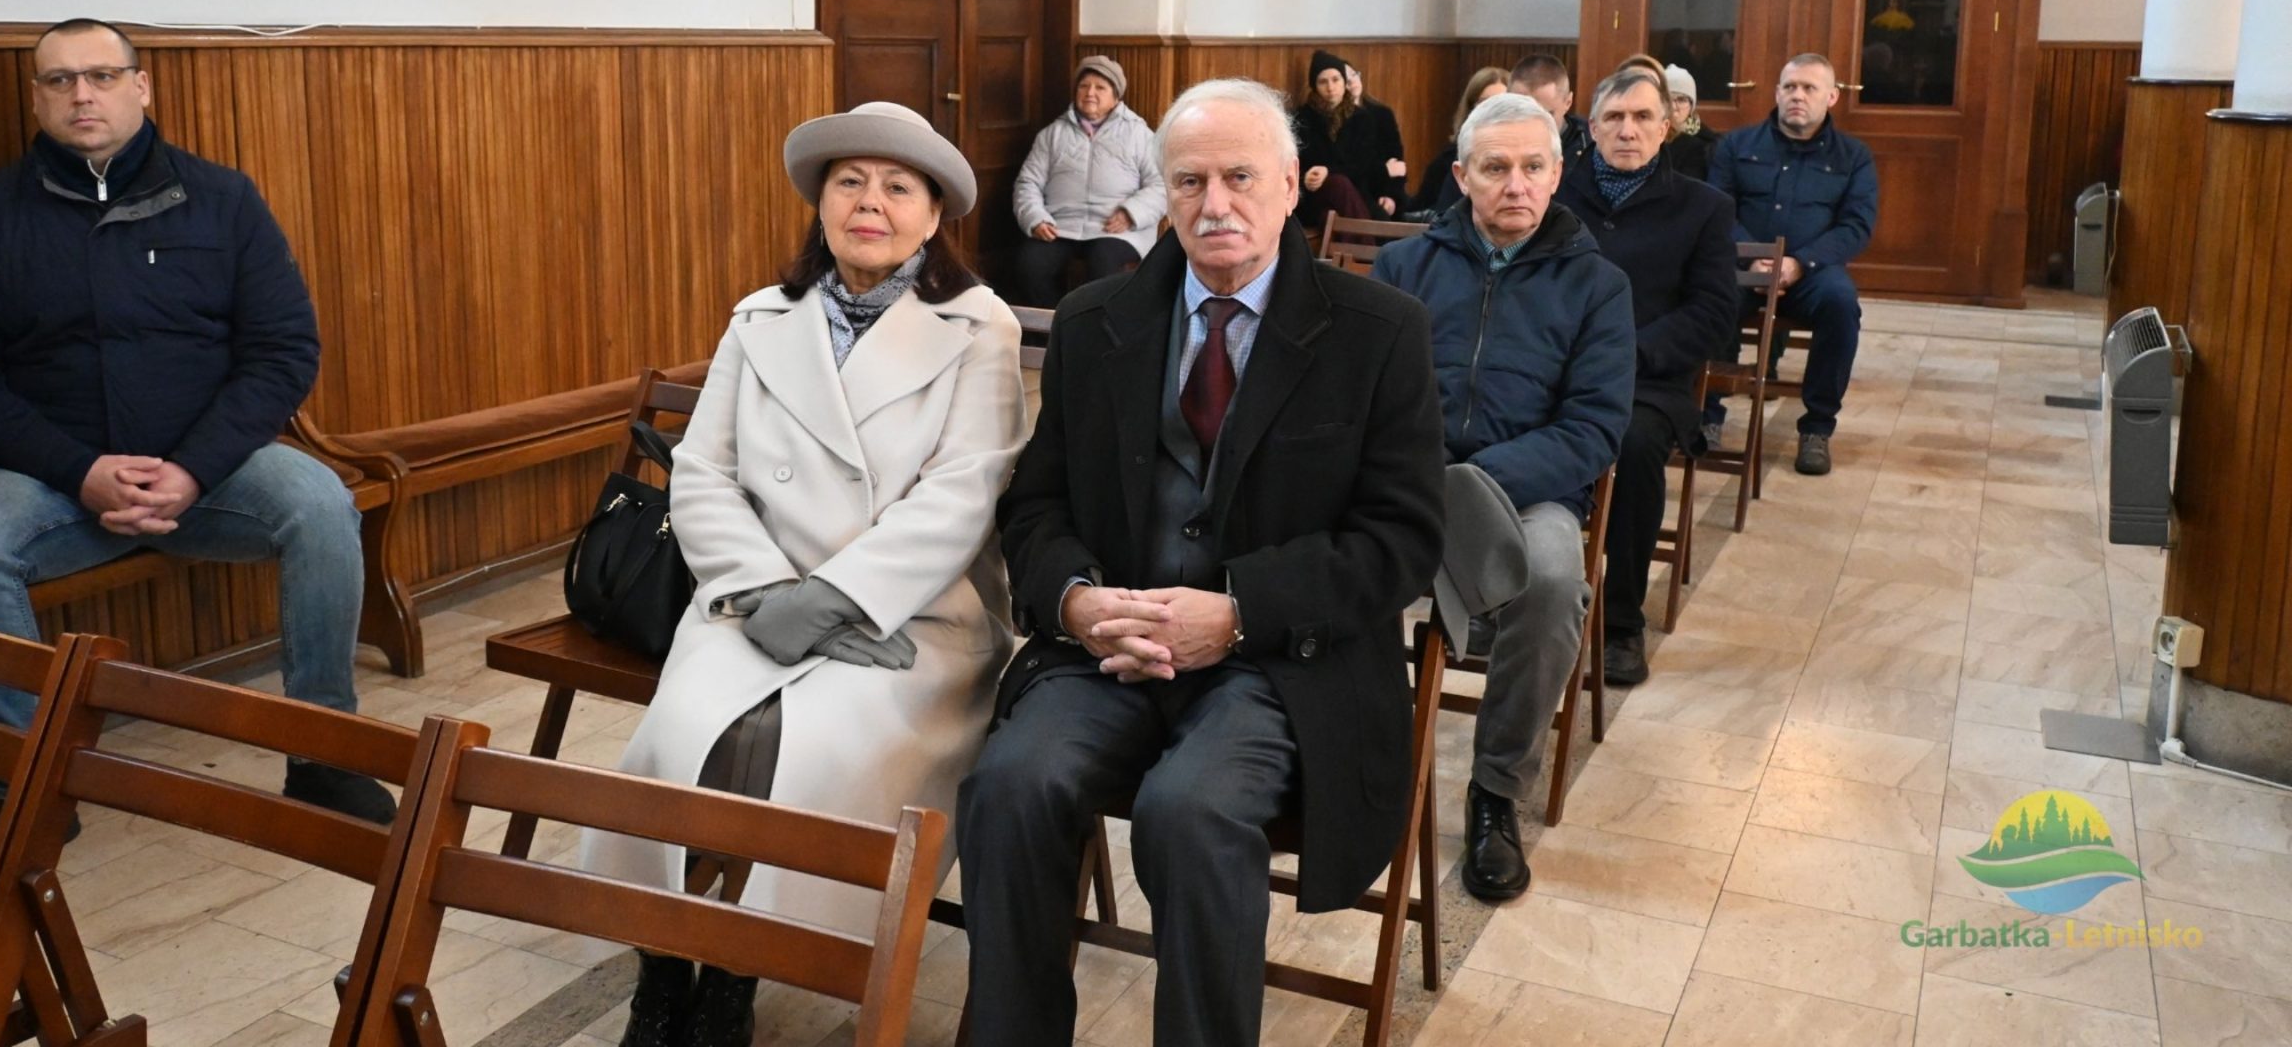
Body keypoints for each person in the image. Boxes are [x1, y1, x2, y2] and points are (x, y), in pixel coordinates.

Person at [957, 79, 1449, 1047]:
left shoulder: (1379, 332)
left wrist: (1236, 612)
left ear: (1289, 187)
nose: (1214, 203)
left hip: (1281, 664)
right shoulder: (1096, 322)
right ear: (1162, 193)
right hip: (1110, 650)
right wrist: (1078, 601)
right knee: (1010, 786)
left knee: (1188, 813)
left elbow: (1399, 540)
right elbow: (1037, 505)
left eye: (1239, 178)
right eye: (1188, 181)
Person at [587, 102, 1024, 1047]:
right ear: (820, 204)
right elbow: (701, 471)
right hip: (754, 599)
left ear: (933, 214)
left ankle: (738, 969)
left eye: (897, 187)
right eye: (849, 182)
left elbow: (965, 489)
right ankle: (661, 966)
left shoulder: (977, 324)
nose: (871, 202)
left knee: (802, 745)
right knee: (689, 731)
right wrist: (764, 591)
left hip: (908, 616)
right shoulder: (762, 317)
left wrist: (836, 598)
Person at [0, 19, 392, 894]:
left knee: (322, 503)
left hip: (211, 470)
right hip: (53, 480)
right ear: (36, 98)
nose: (82, 95)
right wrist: (80, 472)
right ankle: (29, 784)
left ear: (142, 87)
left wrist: (195, 467)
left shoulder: (223, 199)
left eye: (102, 76)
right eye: (60, 80)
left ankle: (325, 752)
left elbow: (284, 349)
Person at [1371, 92, 1631, 902]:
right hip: (1409, 483)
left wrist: (1476, 484)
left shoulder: (1598, 285)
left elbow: (1593, 429)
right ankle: (1353, 758)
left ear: (1557, 174)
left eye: (1531, 167)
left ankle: (1494, 792)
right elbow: (1367, 399)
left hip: (1531, 491)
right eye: (1494, 168)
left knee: (1551, 584)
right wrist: (1420, 478)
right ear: (1461, 177)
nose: (1514, 184)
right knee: (1320, 554)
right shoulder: (1403, 270)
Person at [1553, 69, 1736, 687]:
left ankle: (1621, 622)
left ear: (1667, 127)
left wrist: (1630, 352)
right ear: (1592, 127)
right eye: (1614, 118)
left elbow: (1713, 312)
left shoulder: (1703, 207)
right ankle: (1504, 595)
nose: (1627, 130)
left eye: (1641, 117)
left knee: (1630, 447)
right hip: (1553, 369)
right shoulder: (1555, 193)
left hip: (1646, 379)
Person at [1705, 54, 1879, 476]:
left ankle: (1817, 427)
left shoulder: (1854, 156)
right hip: (1744, 264)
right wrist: (1752, 257)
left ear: (1832, 97)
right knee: (1707, 297)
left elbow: (1856, 225)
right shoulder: (1736, 145)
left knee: (1841, 305)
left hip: (1812, 272)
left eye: (1809, 88)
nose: (1797, 96)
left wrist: (1800, 263)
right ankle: (1706, 415)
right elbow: (1717, 210)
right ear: (1777, 92)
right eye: (1789, 87)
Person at [1008, 55, 1164, 307]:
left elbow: (1161, 185)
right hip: (1060, 226)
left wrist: (1131, 213)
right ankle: (1055, 324)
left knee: (1104, 263)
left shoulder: (1139, 134)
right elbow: (1028, 183)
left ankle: (1093, 328)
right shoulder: (1052, 134)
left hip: (1117, 230)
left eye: (1100, 87)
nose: (1090, 93)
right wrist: (1035, 218)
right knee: (1030, 265)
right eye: (1084, 86)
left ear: (1116, 97)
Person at [1292, 50, 1406, 224]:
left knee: (1337, 208)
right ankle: (1367, 241)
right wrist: (1306, 178)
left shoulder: (1361, 117)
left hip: (1356, 190)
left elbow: (1363, 164)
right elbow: (1295, 161)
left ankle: (1365, 240)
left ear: (1344, 82)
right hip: (1314, 195)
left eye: (1335, 80)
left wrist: (1329, 171)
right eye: (1323, 81)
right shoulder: (1302, 118)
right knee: (1337, 190)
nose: (1330, 87)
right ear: (1315, 86)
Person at [1405, 64, 1510, 218]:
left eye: (1500, 104)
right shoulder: (1448, 159)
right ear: (1470, 109)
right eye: (1484, 103)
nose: (1492, 112)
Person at [1505, 53, 1588, 168]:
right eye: (1521, 114)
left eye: (1545, 116)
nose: (1532, 126)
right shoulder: (1490, 139)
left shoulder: (1592, 146)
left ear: (1568, 102)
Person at [1658, 63, 1714, 182]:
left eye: (1681, 100)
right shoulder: (1649, 136)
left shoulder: (1706, 143)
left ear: (1691, 105)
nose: (1674, 107)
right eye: (1668, 99)